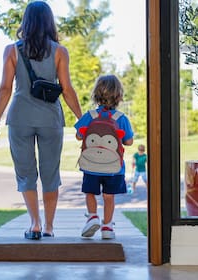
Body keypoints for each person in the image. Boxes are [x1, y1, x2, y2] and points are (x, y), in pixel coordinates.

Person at [0, 1, 82, 240]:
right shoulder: (60, 51)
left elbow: (5, 89)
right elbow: (67, 89)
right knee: (50, 173)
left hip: (20, 119)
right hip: (51, 118)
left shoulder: (12, 50)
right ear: (49, 22)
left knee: (26, 173)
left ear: (26, 22)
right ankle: (49, 227)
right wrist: (82, 120)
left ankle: (35, 224)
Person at [74, 74, 134, 239]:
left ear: (96, 94)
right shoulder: (121, 118)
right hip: (114, 168)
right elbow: (128, 142)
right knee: (109, 197)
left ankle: (92, 216)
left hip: (91, 164)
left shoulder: (90, 115)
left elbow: (79, 136)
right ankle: (107, 227)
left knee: (90, 192)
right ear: (119, 96)